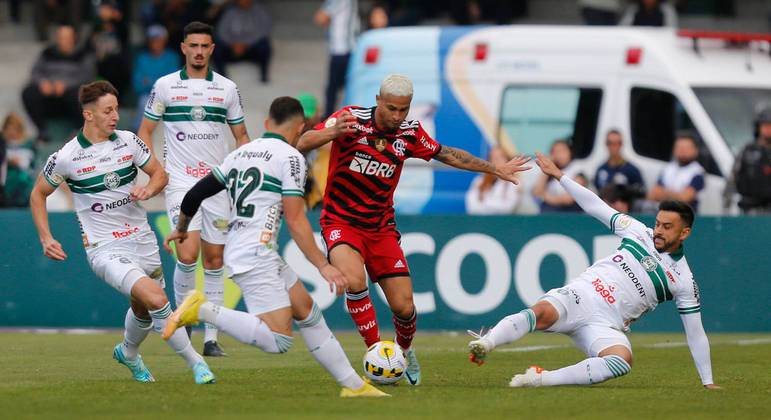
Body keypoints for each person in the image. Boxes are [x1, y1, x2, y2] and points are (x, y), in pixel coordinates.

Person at [297, 74, 532, 386]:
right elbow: (302, 142)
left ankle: (404, 353)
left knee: (405, 307)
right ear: (378, 100)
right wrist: (332, 132)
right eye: (392, 108)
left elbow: (447, 154)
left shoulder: (409, 133)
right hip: (341, 221)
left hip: (381, 228)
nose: (397, 116)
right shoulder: (350, 119)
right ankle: (379, 353)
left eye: (403, 110)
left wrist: (494, 168)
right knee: (354, 281)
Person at [162, 96, 389, 398]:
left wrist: (180, 228)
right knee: (279, 340)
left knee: (308, 312)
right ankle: (201, 309)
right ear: (301, 128)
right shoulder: (291, 157)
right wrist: (324, 265)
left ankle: (354, 386)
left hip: (250, 249)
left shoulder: (240, 153)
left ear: (268, 123)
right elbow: (296, 220)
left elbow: (194, 194)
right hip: (255, 254)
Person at [467, 150, 720, 390]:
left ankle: (540, 379)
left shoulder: (684, 280)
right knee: (541, 312)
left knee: (622, 361)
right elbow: (595, 205)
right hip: (583, 295)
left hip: (606, 324)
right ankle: (485, 343)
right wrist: (559, 176)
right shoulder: (637, 231)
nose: (658, 231)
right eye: (657, 224)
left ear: (684, 233)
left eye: (667, 227)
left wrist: (707, 381)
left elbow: (695, 333)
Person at [29, 81, 215, 384]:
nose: (115, 115)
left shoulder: (129, 141)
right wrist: (46, 237)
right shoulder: (66, 156)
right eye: (107, 111)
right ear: (88, 115)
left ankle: (127, 354)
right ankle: (197, 364)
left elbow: (160, 174)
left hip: (142, 239)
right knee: (156, 299)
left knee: (143, 310)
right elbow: (38, 194)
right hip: (105, 249)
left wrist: (148, 189)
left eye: (116, 108)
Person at [138, 21, 251, 357]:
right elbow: (144, 131)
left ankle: (211, 338)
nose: (199, 52)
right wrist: (157, 173)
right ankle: (185, 321)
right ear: (184, 48)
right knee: (187, 254)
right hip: (181, 182)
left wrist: (240, 169)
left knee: (214, 260)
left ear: (212, 49)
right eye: (193, 46)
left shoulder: (227, 89)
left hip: (217, 184)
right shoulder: (166, 86)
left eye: (205, 46)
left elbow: (241, 136)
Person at [22, 24, 96, 142]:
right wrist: (42, 83)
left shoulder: (83, 54)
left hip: (72, 98)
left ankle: (79, 131)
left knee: (80, 94)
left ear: (74, 37)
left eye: (66, 38)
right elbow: (35, 73)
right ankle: (42, 130)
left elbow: (87, 76)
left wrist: (66, 85)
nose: (63, 41)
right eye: (60, 38)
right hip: (49, 96)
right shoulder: (47, 53)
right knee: (28, 92)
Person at [314, 0, 359, 118]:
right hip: (344, 50)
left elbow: (321, 18)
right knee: (338, 88)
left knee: (332, 90)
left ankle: (329, 121)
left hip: (343, 50)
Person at [132, 24, 180, 131]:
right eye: (152, 39)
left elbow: (172, 85)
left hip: (168, 98)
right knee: (144, 102)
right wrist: (159, 81)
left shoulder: (172, 57)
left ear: (165, 40)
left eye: (158, 39)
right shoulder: (142, 58)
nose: (155, 42)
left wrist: (149, 82)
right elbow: (138, 86)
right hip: (147, 96)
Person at [723, 106, 771, 214]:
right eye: (765, 125)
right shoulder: (747, 150)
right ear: (758, 127)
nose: (768, 129)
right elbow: (732, 179)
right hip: (750, 209)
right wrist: (726, 207)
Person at [213, 0, 272, 83]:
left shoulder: (260, 11)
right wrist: (233, 44)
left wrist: (245, 43)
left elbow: (264, 30)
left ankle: (264, 77)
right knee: (216, 47)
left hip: (251, 48)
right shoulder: (230, 12)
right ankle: (223, 78)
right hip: (232, 48)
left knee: (264, 45)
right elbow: (221, 31)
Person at [647, 133, 705, 211]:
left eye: (686, 148)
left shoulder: (697, 171)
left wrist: (664, 194)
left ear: (695, 151)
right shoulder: (668, 168)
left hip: (685, 215)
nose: (682, 151)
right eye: (679, 147)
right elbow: (653, 194)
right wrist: (676, 195)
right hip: (664, 213)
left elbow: (685, 199)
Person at [533, 140, 586, 212]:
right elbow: (537, 192)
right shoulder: (550, 172)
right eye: (556, 152)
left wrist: (546, 197)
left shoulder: (577, 170)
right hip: (549, 212)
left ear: (569, 152)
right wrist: (546, 168)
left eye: (562, 151)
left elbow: (568, 200)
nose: (560, 155)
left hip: (570, 212)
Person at [465, 146, 521, 214]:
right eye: (493, 158)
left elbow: (508, 208)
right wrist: (495, 203)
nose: (496, 161)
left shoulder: (514, 181)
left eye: (500, 158)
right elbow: (471, 207)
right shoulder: (479, 181)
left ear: (508, 160)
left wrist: (483, 202)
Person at [0, 113, 36, 207]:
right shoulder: (2, 145)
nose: (11, 133)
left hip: (23, 181)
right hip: (5, 180)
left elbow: (30, 166)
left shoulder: (29, 146)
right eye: (9, 129)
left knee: (23, 178)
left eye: (14, 129)